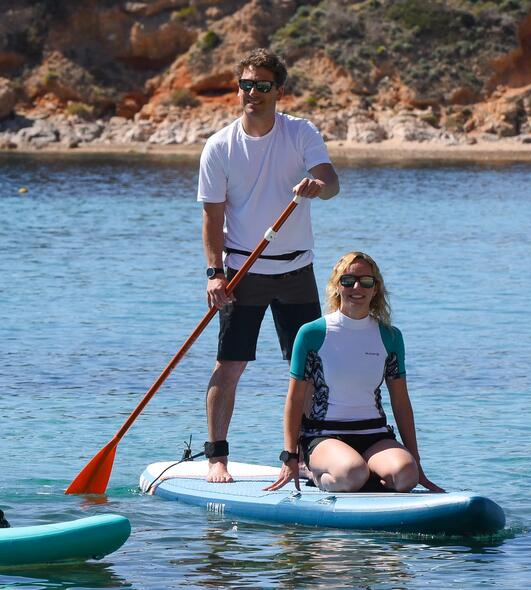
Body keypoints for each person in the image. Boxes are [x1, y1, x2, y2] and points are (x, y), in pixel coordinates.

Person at [196, 48, 340, 483]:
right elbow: (212, 216)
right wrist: (214, 274)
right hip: (243, 272)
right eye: (245, 85)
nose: (251, 93)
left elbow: (331, 182)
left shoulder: (300, 133)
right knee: (230, 364)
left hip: (296, 271)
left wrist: (317, 185)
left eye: (261, 86)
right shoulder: (219, 146)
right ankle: (217, 457)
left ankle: (299, 457)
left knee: (308, 367)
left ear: (280, 91)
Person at [264, 252, 442, 493]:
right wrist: (290, 457)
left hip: (374, 435)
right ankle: (317, 472)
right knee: (350, 473)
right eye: (348, 281)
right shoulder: (312, 333)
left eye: (366, 281)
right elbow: (295, 400)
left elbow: (400, 402)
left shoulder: (390, 337)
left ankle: (364, 476)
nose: (357, 287)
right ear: (337, 286)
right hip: (324, 435)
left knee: (405, 477)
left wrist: (417, 464)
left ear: (375, 288)